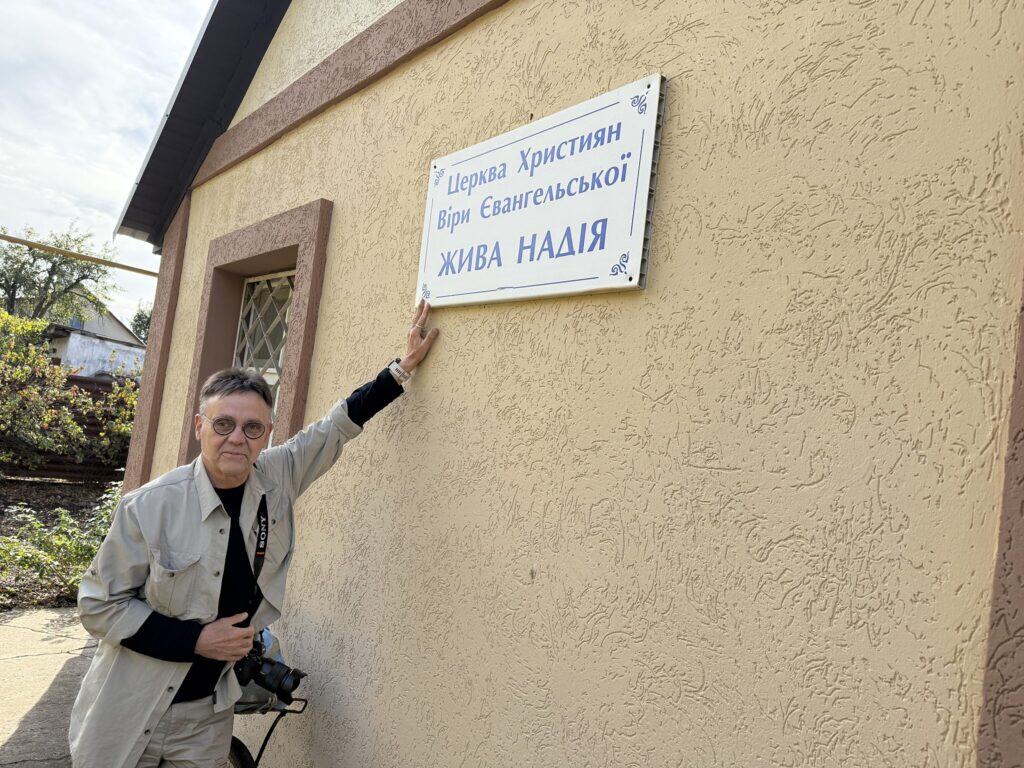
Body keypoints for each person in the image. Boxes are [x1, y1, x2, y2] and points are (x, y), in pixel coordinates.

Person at [69, 300, 440, 768]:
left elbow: (336, 427)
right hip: (127, 709)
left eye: (252, 427)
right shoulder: (149, 506)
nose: (237, 438)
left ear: (266, 433)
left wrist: (400, 370)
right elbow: (98, 605)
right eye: (223, 424)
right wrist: (196, 641)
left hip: (207, 719)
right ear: (200, 426)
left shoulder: (276, 475)